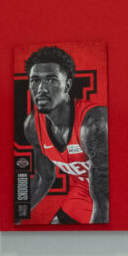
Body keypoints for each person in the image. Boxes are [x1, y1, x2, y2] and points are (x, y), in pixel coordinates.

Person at [22, 46, 108, 224]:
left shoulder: (93, 124)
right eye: (35, 80)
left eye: (51, 80)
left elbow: (103, 199)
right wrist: (15, 215)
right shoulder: (33, 126)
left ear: (67, 85)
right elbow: (43, 178)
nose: (41, 89)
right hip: (85, 192)